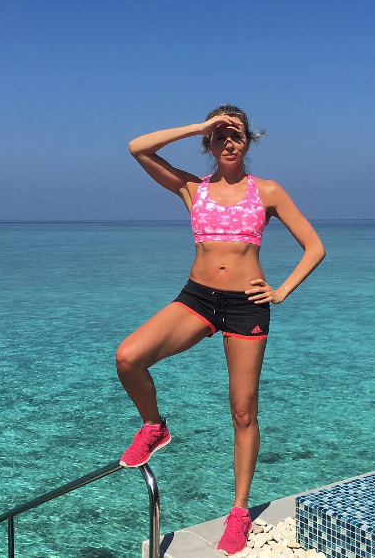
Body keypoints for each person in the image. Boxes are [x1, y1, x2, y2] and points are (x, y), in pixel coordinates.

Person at [116, 105, 325, 555]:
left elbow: (314, 246)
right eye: (219, 135)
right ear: (208, 143)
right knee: (129, 357)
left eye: (236, 134)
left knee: (243, 412)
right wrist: (199, 125)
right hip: (197, 299)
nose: (229, 142)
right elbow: (138, 148)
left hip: (247, 305)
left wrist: (281, 290)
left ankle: (239, 512)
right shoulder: (192, 188)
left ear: (248, 142)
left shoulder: (267, 191)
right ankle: (154, 426)